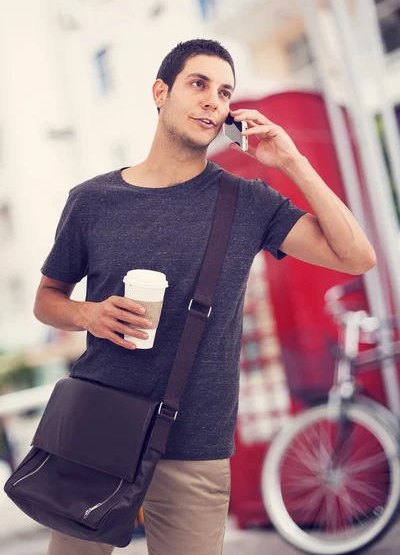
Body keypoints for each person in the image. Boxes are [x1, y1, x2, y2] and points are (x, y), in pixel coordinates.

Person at [34, 39, 376, 555]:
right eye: (198, 84)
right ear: (160, 92)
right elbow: (46, 299)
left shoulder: (247, 201)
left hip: (196, 444)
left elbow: (356, 257)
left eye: (225, 92)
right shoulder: (92, 201)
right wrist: (89, 314)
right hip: (97, 430)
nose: (213, 101)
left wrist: (292, 161)